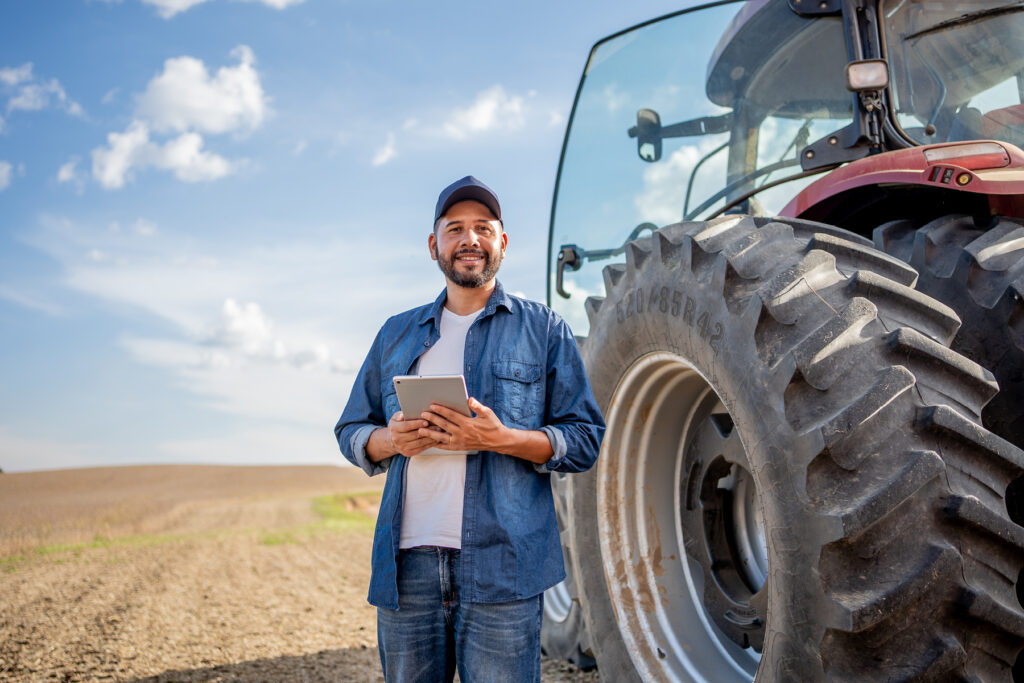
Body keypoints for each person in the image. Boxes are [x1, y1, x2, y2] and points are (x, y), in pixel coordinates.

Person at [334, 175, 605, 683]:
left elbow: (585, 437)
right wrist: (392, 441)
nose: (470, 239)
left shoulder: (545, 330)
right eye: (455, 228)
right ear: (433, 245)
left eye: (483, 227)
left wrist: (499, 439)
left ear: (502, 242)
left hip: (504, 567)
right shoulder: (395, 333)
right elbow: (351, 428)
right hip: (407, 569)